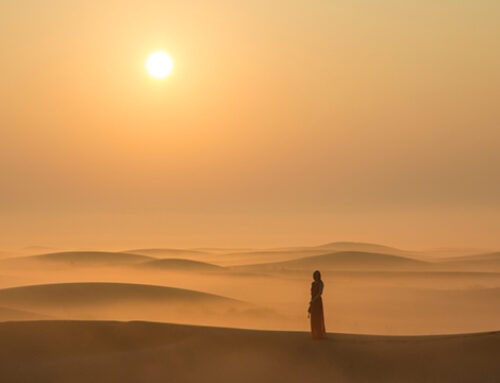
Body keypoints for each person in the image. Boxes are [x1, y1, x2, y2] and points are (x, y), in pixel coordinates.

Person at [308, 270, 327, 339]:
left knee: (318, 318)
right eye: (315, 275)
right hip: (313, 302)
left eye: (317, 275)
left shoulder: (321, 283)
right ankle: (314, 334)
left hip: (318, 301)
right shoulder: (313, 283)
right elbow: (311, 294)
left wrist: (313, 300)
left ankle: (319, 334)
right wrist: (310, 304)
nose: (316, 277)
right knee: (313, 318)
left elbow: (319, 293)